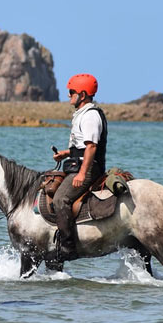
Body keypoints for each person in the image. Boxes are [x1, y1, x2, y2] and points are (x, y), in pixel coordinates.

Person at [50, 74, 107, 262]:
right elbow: (81, 146)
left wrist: (83, 173)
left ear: (82, 95)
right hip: (77, 164)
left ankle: (68, 247)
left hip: (88, 168)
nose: (68, 96)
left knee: (60, 199)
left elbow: (92, 146)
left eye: (71, 92)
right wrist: (66, 153)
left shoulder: (90, 116)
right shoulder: (82, 114)